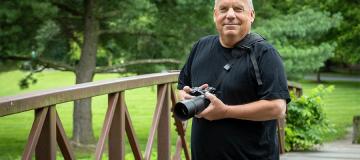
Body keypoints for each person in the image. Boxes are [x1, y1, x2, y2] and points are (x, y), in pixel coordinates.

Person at [177, 0, 291, 159]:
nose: (230, 15)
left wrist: (225, 112)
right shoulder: (200, 47)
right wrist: (185, 95)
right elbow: (183, 87)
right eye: (223, 9)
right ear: (215, 15)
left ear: (251, 15)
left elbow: (277, 108)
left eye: (238, 9)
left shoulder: (265, 54)